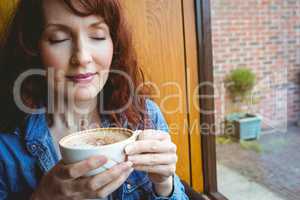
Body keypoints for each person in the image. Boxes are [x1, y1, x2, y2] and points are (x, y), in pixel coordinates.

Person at [0, 0, 189, 200]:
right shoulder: (7, 145)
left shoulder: (146, 116)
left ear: (113, 44)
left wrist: (165, 185)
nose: (82, 57)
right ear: (33, 47)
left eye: (97, 36)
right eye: (59, 38)